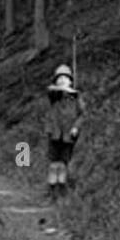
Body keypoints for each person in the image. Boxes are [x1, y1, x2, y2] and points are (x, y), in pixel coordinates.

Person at [46, 62, 83, 197]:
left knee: (63, 163)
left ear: (70, 81)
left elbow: (81, 115)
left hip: (68, 136)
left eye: (65, 78)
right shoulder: (54, 95)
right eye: (59, 79)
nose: (62, 81)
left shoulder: (76, 98)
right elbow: (50, 90)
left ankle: (61, 189)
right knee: (53, 163)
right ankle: (51, 189)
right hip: (54, 134)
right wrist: (64, 90)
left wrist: (76, 127)